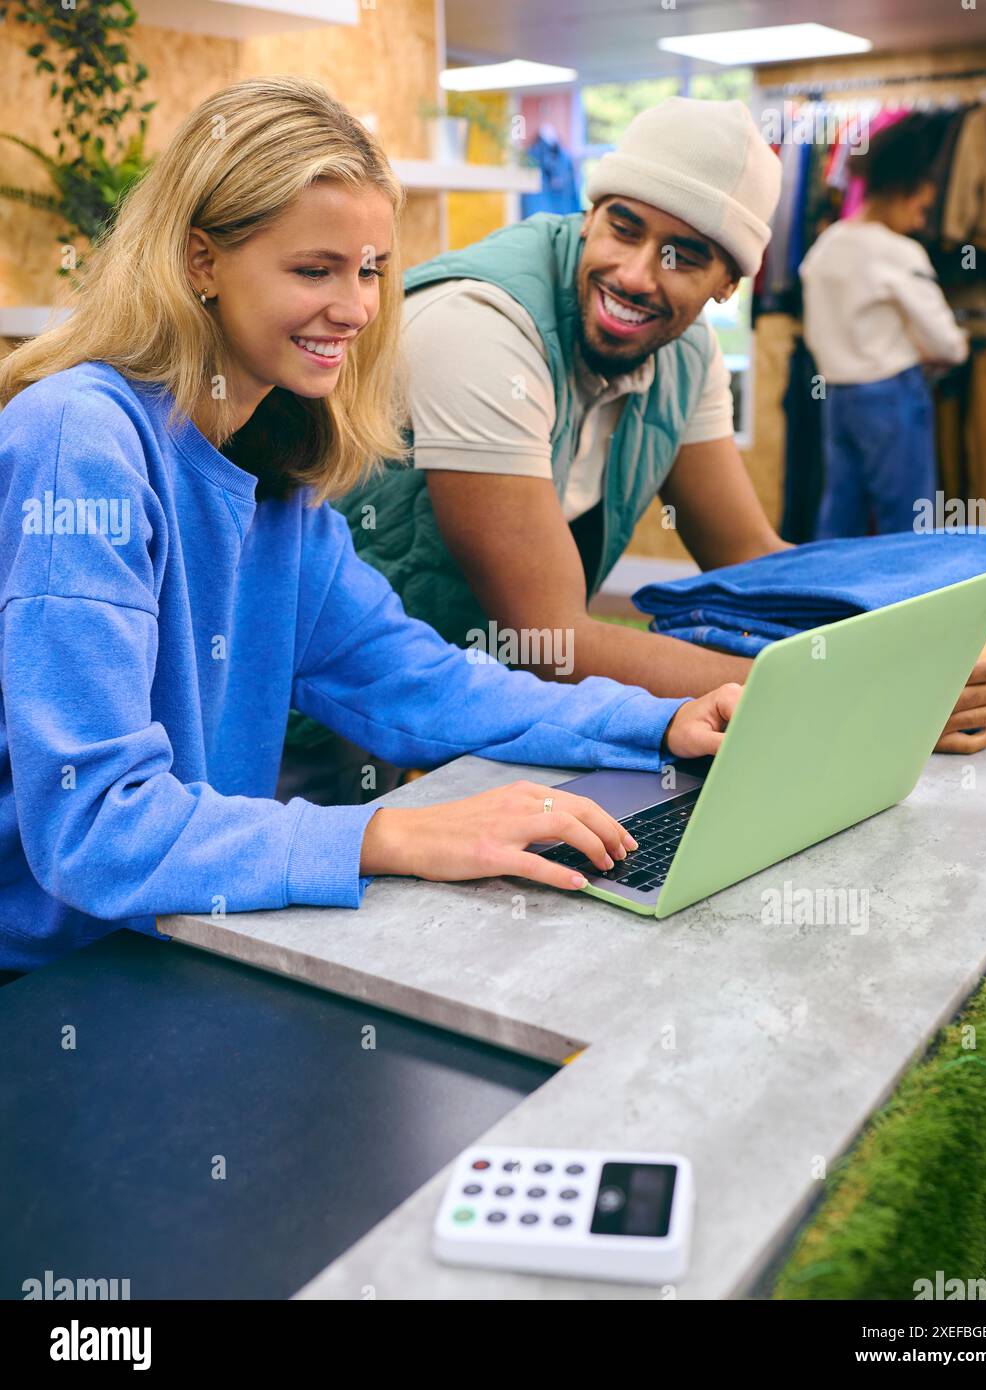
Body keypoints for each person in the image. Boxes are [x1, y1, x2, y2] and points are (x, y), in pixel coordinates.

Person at [0, 77, 743, 977]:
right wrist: (394, 835)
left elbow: (418, 683)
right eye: (314, 271)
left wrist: (661, 724)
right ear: (201, 262)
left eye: (370, 271)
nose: (355, 308)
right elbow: (93, 827)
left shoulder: (275, 467)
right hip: (53, 982)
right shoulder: (80, 441)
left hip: (187, 937)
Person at [280, 99, 986, 803]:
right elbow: (551, 639)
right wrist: (858, 696)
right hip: (308, 702)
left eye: (682, 257)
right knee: (296, 870)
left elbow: (748, 558)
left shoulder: (684, 352)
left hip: (455, 694)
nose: (635, 273)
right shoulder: (480, 324)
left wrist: (902, 653)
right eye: (623, 227)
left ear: (728, 283)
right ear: (591, 213)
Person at [799, 113, 970, 539]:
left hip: (837, 397)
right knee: (908, 522)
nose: (921, 222)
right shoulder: (899, 252)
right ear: (901, 191)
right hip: (892, 396)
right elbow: (947, 345)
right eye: (921, 209)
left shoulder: (825, 246)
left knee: (840, 515)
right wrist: (953, 344)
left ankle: (832, 585)